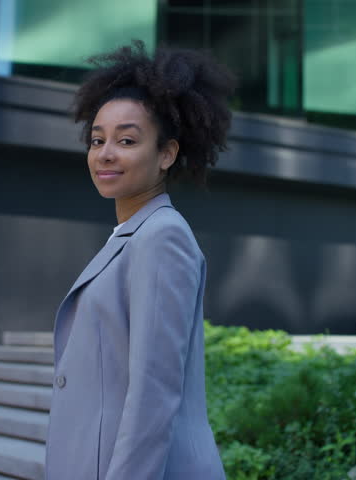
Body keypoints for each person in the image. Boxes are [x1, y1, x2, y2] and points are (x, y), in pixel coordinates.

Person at [45, 40, 234, 480]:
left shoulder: (161, 237)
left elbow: (153, 394)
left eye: (127, 140)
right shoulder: (131, 236)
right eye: (97, 139)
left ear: (166, 153)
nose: (105, 153)